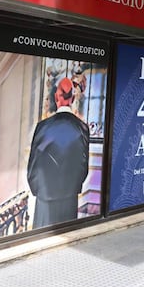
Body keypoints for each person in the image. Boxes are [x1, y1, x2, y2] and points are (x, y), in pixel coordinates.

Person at [27, 77, 90, 229]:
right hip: (69, 200)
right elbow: (83, 167)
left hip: (45, 200)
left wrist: (38, 191)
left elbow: (33, 167)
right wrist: (73, 189)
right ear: (73, 99)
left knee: (42, 241)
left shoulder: (43, 127)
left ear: (56, 97)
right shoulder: (82, 128)